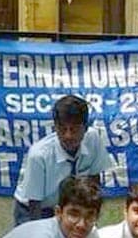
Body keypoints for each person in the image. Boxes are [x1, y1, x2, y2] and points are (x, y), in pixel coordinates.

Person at [12, 94, 113, 226]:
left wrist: (91, 220)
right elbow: (34, 203)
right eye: (62, 129)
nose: (68, 135)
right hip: (35, 209)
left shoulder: (93, 139)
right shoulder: (39, 155)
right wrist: (38, 236)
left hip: (69, 207)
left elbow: (94, 182)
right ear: (55, 127)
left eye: (74, 129)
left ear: (85, 128)